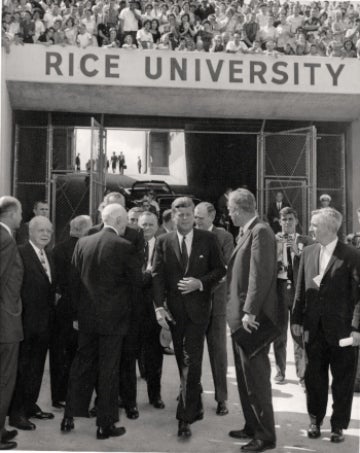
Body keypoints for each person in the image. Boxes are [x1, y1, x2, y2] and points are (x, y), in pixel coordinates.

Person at [61, 204, 142, 439]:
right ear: (117, 220)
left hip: (86, 318)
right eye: (125, 220)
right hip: (114, 321)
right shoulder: (125, 247)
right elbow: (135, 286)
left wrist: (76, 315)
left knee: (81, 365)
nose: (127, 225)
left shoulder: (83, 243)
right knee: (108, 370)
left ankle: (68, 417)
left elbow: (73, 283)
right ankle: (104, 425)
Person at [152, 197, 226, 438]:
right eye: (178, 214)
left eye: (187, 214)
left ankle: (184, 419)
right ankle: (195, 401)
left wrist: (200, 283)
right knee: (184, 364)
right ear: (172, 216)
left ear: (194, 216)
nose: (183, 218)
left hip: (199, 312)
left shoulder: (208, 239)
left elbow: (220, 270)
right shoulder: (163, 242)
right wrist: (159, 308)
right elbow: (157, 276)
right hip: (174, 313)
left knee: (190, 362)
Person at [292, 208, 360, 444]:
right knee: (314, 378)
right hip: (314, 328)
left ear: (330, 228)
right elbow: (300, 289)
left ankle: (338, 426)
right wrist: (296, 319)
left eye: (314, 225)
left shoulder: (352, 255)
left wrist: (356, 329)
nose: (310, 229)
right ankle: (315, 420)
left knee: (343, 380)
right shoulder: (308, 252)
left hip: (343, 331)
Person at [227, 188, 277, 453]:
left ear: (240, 208)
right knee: (247, 378)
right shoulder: (248, 231)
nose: (229, 214)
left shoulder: (261, 232)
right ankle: (252, 425)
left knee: (256, 380)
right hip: (241, 320)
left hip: (251, 321)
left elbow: (260, 274)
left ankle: (265, 436)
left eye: (230, 209)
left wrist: (250, 312)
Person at [9, 216, 56, 431]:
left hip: (44, 325)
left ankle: (30, 405)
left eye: (49, 231)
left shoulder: (48, 255)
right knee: (22, 369)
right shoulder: (20, 252)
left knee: (37, 368)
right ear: (30, 232)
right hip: (25, 325)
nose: (45, 234)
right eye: (41, 230)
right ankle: (16, 414)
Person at [194, 202, 234, 416]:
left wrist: (200, 282)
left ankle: (221, 398)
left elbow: (226, 268)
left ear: (212, 216)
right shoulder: (189, 235)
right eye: (195, 217)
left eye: (200, 217)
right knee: (192, 352)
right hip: (192, 304)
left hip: (216, 304)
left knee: (218, 352)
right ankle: (191, 392)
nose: (196, 221)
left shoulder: (224, 237)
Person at [50, 215, 93, 409]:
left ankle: (58, 397)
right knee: (79, 355)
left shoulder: (57, 249)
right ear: (85, 230)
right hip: (82, 308)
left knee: (60, 355)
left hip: (63, 308)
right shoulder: (87, 248)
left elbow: (55, 281)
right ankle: (76, 395)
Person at [273, 207, 313, 386]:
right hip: (279, 288)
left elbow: (313, 266)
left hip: (298, 291)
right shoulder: (274, 240)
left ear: (296, 221)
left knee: (298, 333)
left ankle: (303, 375)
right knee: (279, 333)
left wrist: (297, 253)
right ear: (280, 222)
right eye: (284, 219)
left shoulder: (307, 241)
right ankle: (280, 371)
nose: (287, 223)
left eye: (290, 219)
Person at [0, 196, 24, 451]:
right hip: (5, 323)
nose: (21, 218)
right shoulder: (5, 240)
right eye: (19, 213)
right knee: (5, 380)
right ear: (9, 214)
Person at [138, 211, 165, 409]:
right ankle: (128, 399)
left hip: (156, 307)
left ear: (157, 226)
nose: (146, 228)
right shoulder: (131, 246)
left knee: (155, 354)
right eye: (143, 225)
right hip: (134, 306)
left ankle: (155, 396)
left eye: (150, 224)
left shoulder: (164, 245)